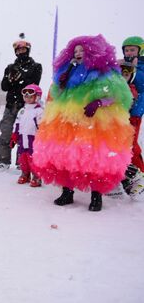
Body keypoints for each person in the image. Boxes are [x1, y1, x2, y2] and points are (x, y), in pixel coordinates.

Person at [32, 35, 133, 211]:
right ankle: (67, 192)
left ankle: (96, 195)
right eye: (75, 51)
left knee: (94, 157)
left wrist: (99, 103)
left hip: (95, 122)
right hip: (68, 120)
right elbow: (57, 93)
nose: (78, 53)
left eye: (82, 50)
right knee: (67, 155)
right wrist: (61, 82)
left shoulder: (104, 72)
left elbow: (119, 95)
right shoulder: (69, 69)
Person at [0, 35, 42, 172]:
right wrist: (10, 79)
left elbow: (33, 84)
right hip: (11, 105)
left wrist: (20, 77)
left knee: (24, 134)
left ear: (27, 50)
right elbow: (4, 87)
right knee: (6, 133)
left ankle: (20, 161)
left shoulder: (36, 66)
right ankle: (4, 161)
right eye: (18, 50)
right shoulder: (10, 67)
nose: (20, 52)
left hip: (27, 106)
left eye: (23, 49)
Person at [10, 84, 44, 187]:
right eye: (25, 96)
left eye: (30, 96)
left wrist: (41, 138)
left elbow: (41, 126)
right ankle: (25, 174)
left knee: (33, 158)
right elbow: (17, 124)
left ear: (37, 97)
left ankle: (36, 176)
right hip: (22, 137)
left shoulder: (39, 111)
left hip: (33, 138)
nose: (27, 98)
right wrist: (14, 136)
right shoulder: (22, 110)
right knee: (22, 157)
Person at [121, 36, 144, 171]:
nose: (129, 53)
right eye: (127, 50)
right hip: (122, 111)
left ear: (140, 51)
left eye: (132, 50)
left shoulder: (141, 66)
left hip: (135, 111)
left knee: (131, 143)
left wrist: (133, 67)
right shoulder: (124, 65)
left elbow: (141, 83)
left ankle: (140, 172)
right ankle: (126, 175)